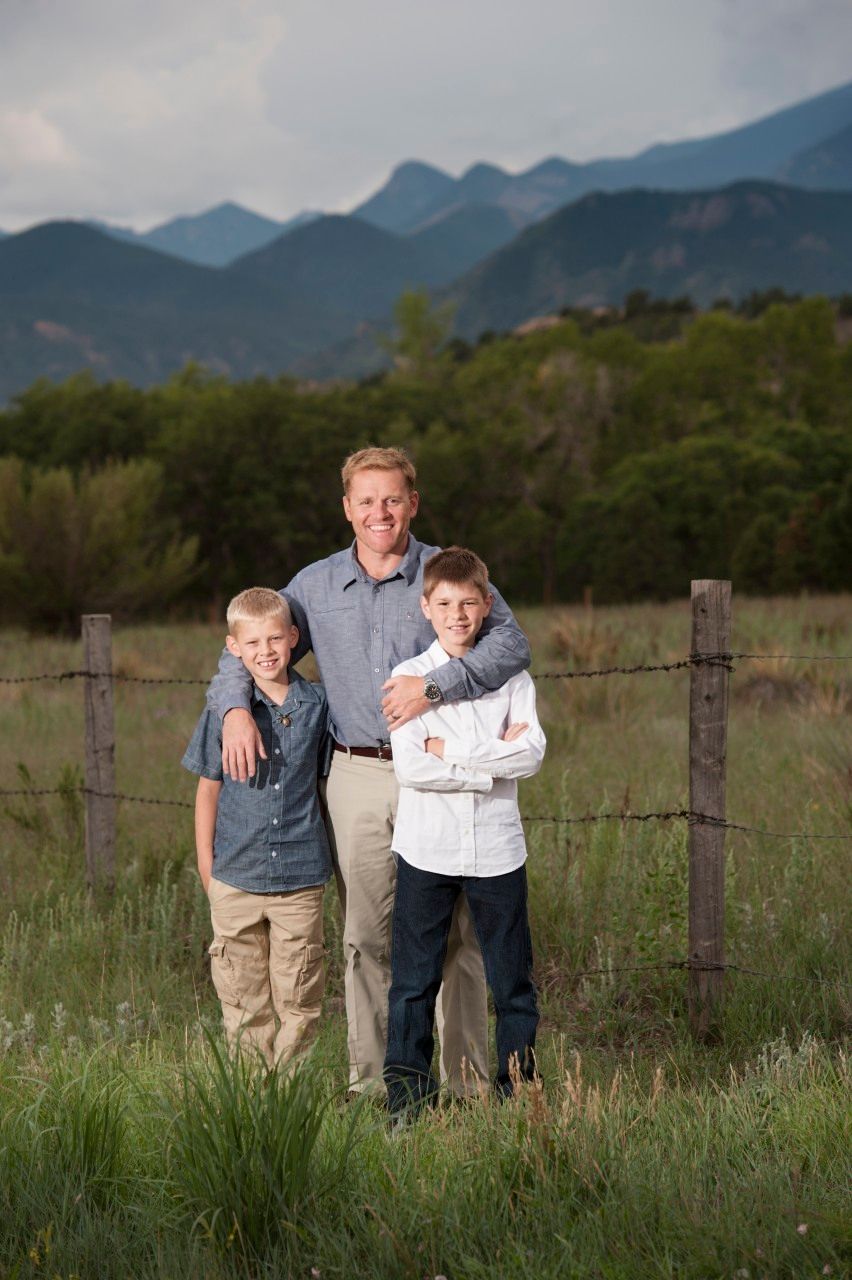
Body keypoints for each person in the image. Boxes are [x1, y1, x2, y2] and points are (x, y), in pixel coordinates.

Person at [206, 446, 531, 1095]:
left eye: (392, 499)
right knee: (366, 934)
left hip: (442, 773)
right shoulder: (314, 586)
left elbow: (512, 644)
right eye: (366, 501)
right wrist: (233, 710)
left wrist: (434, 688)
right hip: (357, 774)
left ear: (412, 504)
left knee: (456, 937)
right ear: (347, 509)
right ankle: (378, 1081)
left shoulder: (445, 576)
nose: (379, 512)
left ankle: (463, 1083)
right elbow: (250, 643)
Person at [384, 546, 546, 1114]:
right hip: (427, 848)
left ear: (486, 606)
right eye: (446, 603)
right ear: (426, 607)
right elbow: (411, 767)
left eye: (470, 603)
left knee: (512, 985)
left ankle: (519, 1096)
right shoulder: (407, 679)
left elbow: (529, 757)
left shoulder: (510, 677)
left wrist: (448, 748)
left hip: (498, 851)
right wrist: (490, 761)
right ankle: (405, 1099)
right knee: (413, 982)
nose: (458, 615)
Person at [183, 587, 332, 1068]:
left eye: (274, 639)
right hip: (234, 877)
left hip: (300, 879)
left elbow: (327, 788)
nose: (265, 652)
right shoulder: (223, 713)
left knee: (300, 1000)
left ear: (293, 638)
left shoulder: (317, 707)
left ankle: (291, 1102)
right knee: (244, 1003)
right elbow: (208, 792)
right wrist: (208, 872)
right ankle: (251, 1105)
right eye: (252, 643)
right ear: (233, 647)